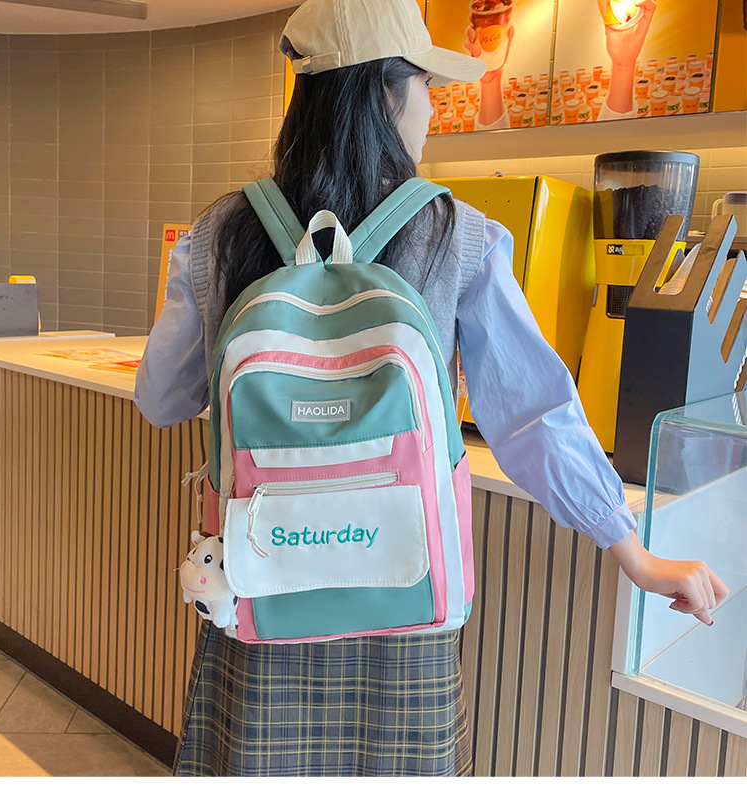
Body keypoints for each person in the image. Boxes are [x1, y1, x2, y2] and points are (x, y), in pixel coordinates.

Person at [134, 0, 728, 777]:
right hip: (404, 598)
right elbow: (534, 416)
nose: (432, 108)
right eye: (425, 86)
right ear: (384, 92)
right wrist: (637, 554)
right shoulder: (457, 234)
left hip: (261, 589)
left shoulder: (221, 232)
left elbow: (162, 399)